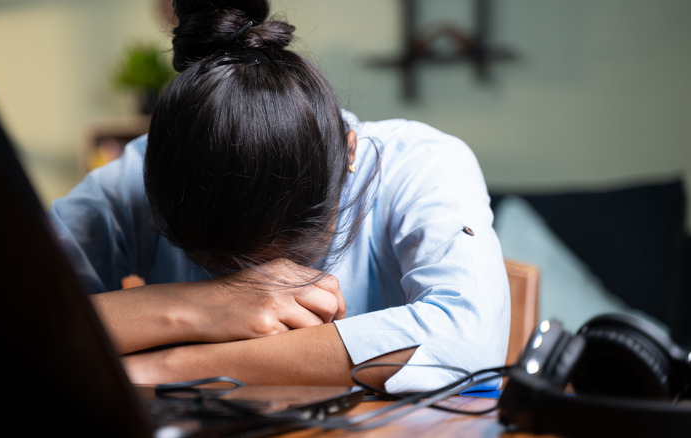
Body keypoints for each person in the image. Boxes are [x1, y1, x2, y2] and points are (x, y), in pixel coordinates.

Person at [50, 0, 510, 394]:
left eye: (290, 254)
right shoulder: (138, 175)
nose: (257, 283)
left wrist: (170, 367)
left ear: (348, 156)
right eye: (216, 263)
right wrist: (200, 304)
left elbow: (469, 337)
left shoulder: (420, 164)